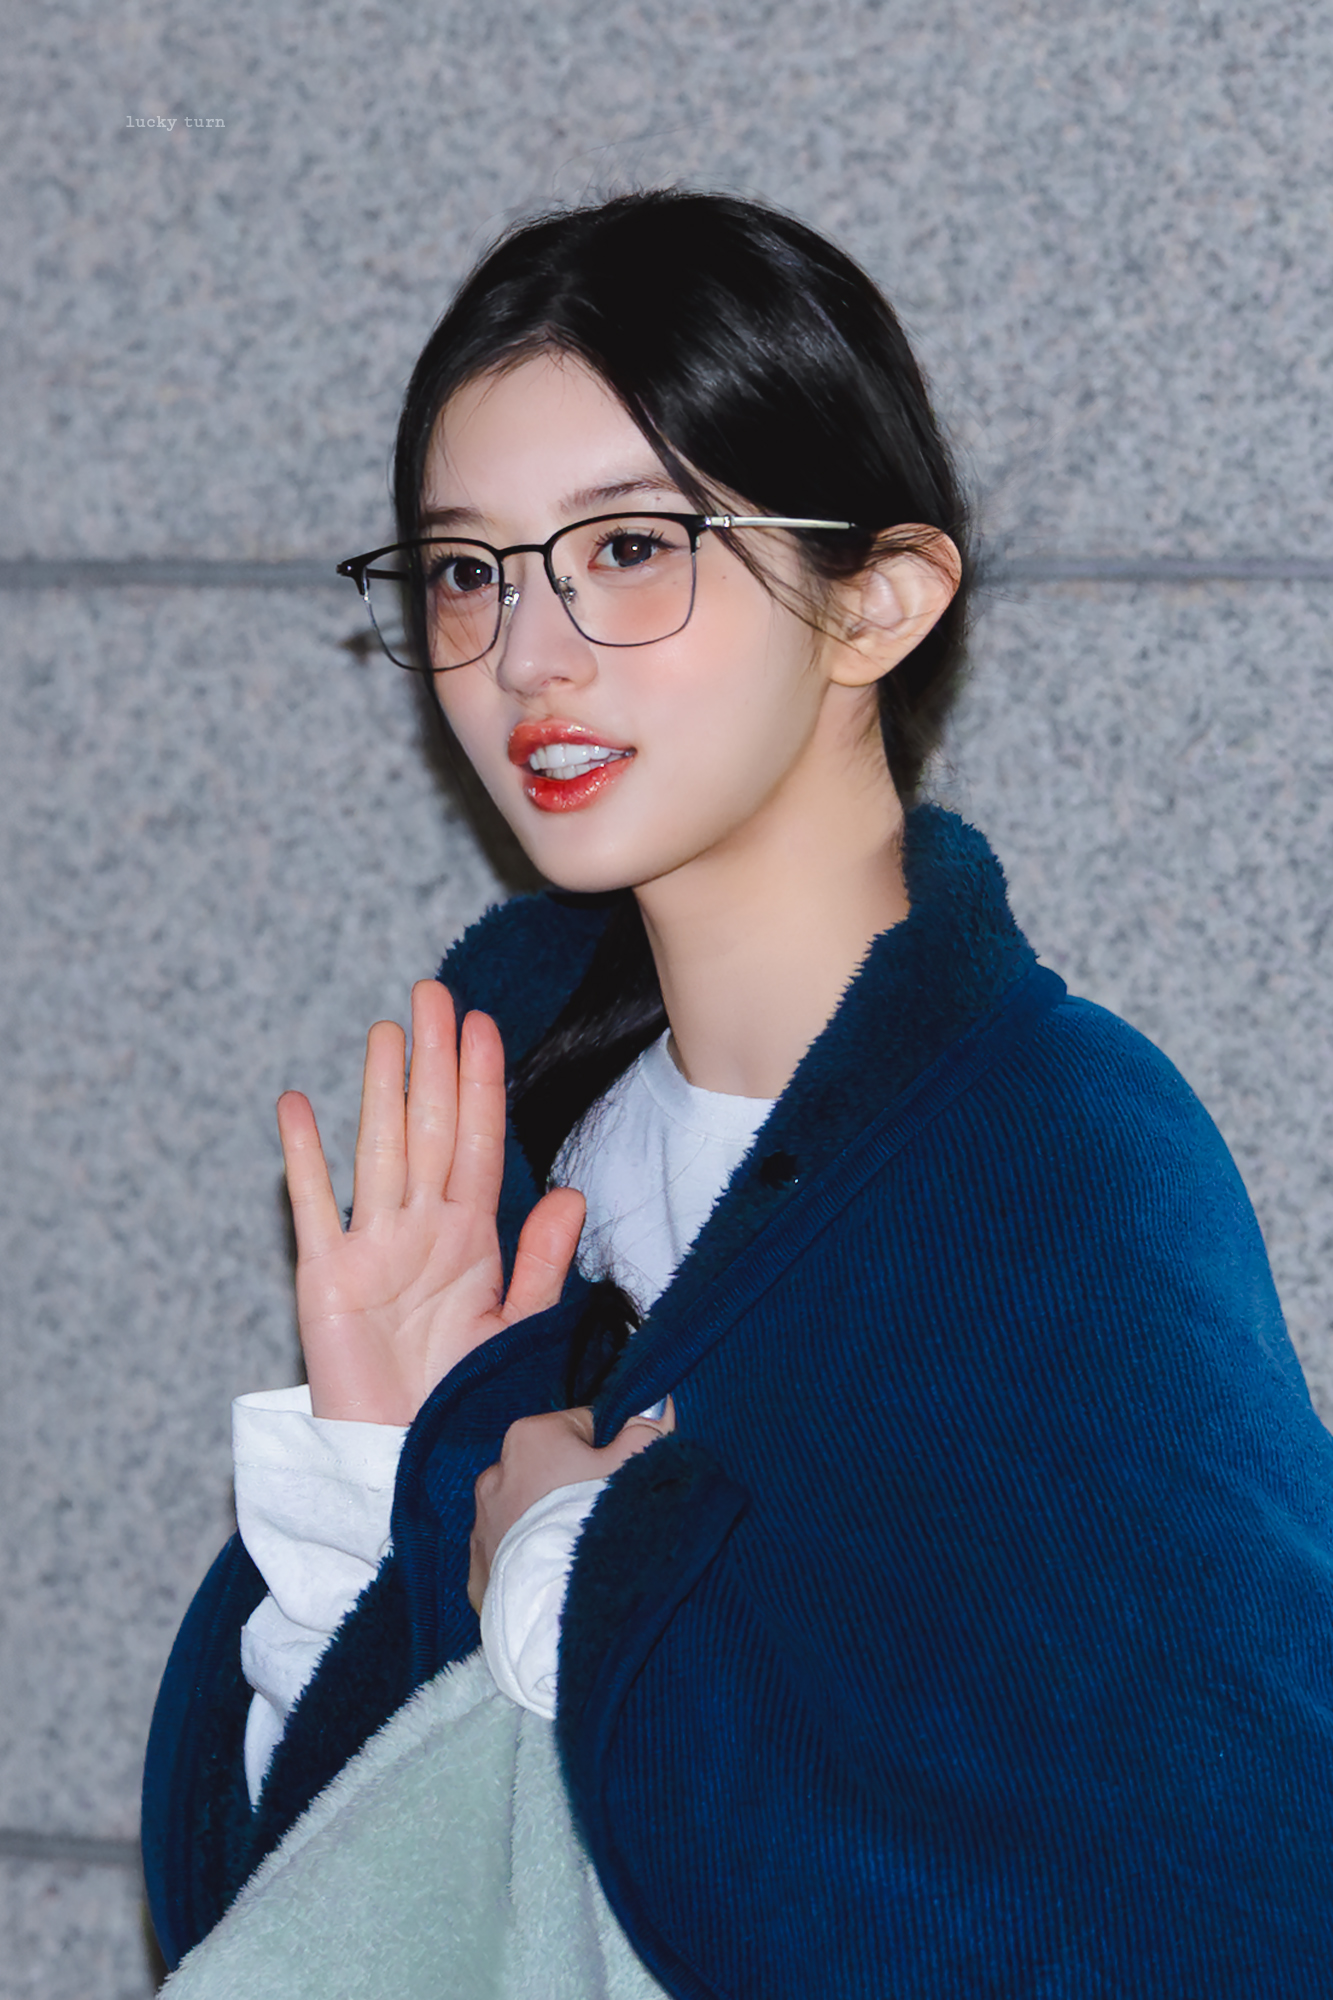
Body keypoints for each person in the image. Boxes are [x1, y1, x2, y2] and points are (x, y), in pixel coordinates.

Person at [142, 189, 1333, 1995]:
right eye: (464, 572)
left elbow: (1218, 1889)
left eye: (628, 547)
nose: (526, 656)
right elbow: (317, 1916)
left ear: (876, 599)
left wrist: (569, 1577)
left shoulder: (1048, 1159)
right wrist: (380, 1483)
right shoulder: (516, 1155)